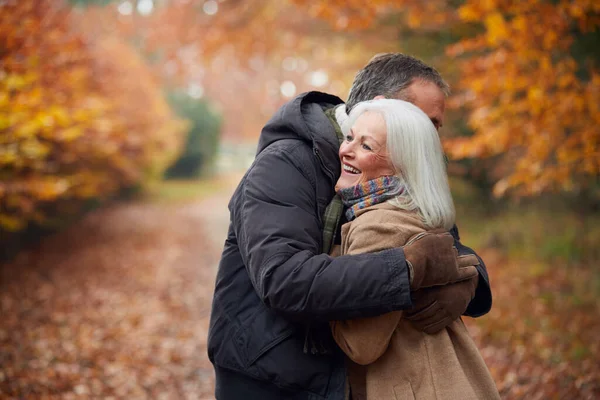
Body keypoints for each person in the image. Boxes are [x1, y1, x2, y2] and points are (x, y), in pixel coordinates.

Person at [208, 53, 492, 399]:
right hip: (276, 381)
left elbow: (445, 246)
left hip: (352, 381)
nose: (433, 137)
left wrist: (468, 283)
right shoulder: (285, 164)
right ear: (382, 107)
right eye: (426, 122)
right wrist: (406, 269)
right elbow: (284, 279)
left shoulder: (403, 169)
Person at [329, 98, 499, 399]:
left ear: (402, 166)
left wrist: (325, 266)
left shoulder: (377, 225)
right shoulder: (413, 211)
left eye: (366, 146)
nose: (346, 150)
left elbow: (361, 345)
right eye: (350, 137)